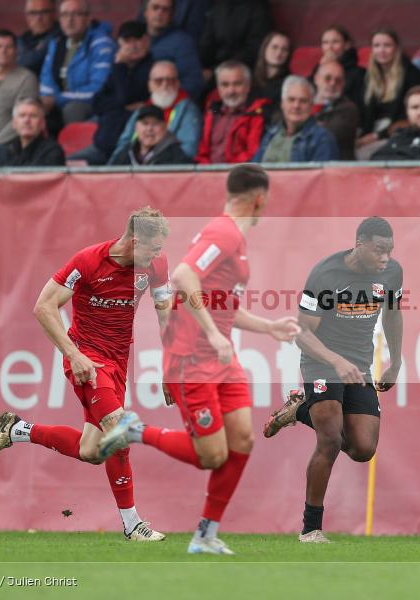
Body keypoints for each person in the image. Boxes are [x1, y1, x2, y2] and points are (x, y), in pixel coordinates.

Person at [99, 164, 301, 555]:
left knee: (242, 439)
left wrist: (268, 327)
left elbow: (219, 304)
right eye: (266, 201)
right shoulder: (223, 232)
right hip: (194, 358)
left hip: (221, 360)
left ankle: (205, 535)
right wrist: (209, 332)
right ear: (259, 199)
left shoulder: (232, 238)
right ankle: (134, 431)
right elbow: (184, 276)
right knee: (212, 455)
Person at [0, 207, 173, 543]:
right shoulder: (88, 262)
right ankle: (132, 525)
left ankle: (16, 430)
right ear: (132, 240)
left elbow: (165, 312)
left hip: (118, 362)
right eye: (152, 248)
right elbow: (44, 306)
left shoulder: (156, 266)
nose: (157, 255)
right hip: (86, 359)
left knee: (93, 451)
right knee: (118, 428)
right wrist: (74, 354)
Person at [263, 216, 404, 543]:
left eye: (390, 251)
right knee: (328, 441)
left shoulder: (392, 273)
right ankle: (311, 529)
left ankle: (299, 411)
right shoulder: (326, 275)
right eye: (379, 250)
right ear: (359, 244)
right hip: (321, 363)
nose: (385, 258)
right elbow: (303, 334)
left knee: (362, 448)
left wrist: (396, 360)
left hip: (359, 367)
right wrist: (335, 361)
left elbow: (393, 313)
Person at [70, 20, 154, 165]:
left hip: (126, 151)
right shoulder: (118, 70)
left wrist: (120, 66)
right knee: (62, 165)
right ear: (119, 44)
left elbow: (124, 96)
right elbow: (97, 103)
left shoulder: (151, 68)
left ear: (146, 41)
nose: (133, 46)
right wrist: (121, 105)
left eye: (137, 40)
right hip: (103, 145)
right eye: (128, 41)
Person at [39, 0, 116, 132]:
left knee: (73, 109)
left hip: (92, 103)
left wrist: (58, 99)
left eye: (76, 14)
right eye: (64, 15)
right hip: (60, 100)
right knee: (30, 109)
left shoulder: (101, 43)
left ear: (88, 18)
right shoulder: (56, 42)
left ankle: (74, 152)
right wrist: (45, 100)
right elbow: (46, 80)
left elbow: (98, 89)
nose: (69, 20)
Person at [111, 60, 203, 162]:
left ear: (177, 84)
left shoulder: (189, 110)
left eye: (170, 80)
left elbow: (189, 150)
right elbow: (123, 144)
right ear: (149, 85)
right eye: (158, 81)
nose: (165, 85)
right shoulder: (141, 110)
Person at [356, 28, 420, 160]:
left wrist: (376, 136)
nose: (381, 50)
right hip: (372, 133)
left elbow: (410, 119)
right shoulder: (368, 77)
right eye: (376, 45)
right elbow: (363, 114)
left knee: (363, 155)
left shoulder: (411, 75)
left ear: (397, 48)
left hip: (399, 134)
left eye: (387, 45)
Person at [195, 61, 269, 164]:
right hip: (208, 175)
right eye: (225, 85)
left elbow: (252, 153)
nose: (231, 91)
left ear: (248, 87)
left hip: (239, 175)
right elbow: (202, 151)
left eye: (237, 84)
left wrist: (226, 171)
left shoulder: (256, 113)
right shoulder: (213, 111)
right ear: (218, 88)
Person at [253, 76, 338, 162]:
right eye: (291, 100)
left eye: (303, 101)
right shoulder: (270, 134)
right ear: (282, 104)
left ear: (312, 106)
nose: (296, 106)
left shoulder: (323, 139)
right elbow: (253, 170)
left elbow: (323, 175)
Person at [143, 0, 204, 100]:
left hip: (169, 105)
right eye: (155, 7)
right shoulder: (135, 38)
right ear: (145, 12)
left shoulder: (182, 42)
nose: (160, 13)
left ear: (171, 16)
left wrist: (157, 100)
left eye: (165, 10)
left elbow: (193, 84)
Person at [199, 0, 274, 77]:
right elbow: (206, 42)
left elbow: (254, 49)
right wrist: (200, 67)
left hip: (241, 70)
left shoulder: (259, 8)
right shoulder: (219, 5)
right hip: (214, 67)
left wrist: (217, 70)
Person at [110, 104, 193, 165]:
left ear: (165, 127)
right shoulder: (125, 153)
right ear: (136, 127)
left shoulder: (178, 157)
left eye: (155, 124)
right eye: (145, 123)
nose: (149, 129)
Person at [0, 97, 66, 167]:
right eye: (22, 116)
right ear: (14, 123)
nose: (27, 121)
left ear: (42, 124)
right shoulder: (5, 151)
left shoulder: (52, 151)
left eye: (33, 116)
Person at [311, 25, 366, 112]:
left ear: (347, 45)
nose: (330, 47)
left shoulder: (359, 73)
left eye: (335, 42)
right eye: (325, 42)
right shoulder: (318, 68)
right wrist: (322, 68)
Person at [312, 60, 359, 161]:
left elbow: (324, 135)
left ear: (343, 84)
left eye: (338, 80)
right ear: (316, 79)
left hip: (336, 167)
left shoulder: (349, 109)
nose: (332, 83)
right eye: (327, 78)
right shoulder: (303, 102)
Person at [18, 0, 61, 77]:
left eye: (44, 12)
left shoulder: (60, 35)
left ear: (54, 13)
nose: (38, 18)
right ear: (26, 16)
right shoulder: (22, 39)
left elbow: (31, 63)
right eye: (33, 13)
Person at [252, 31, 291, 103]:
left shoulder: (289, 83)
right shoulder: (250, 77)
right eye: (274, 47)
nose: (279, 53)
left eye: (284, 49)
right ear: (264, 49)